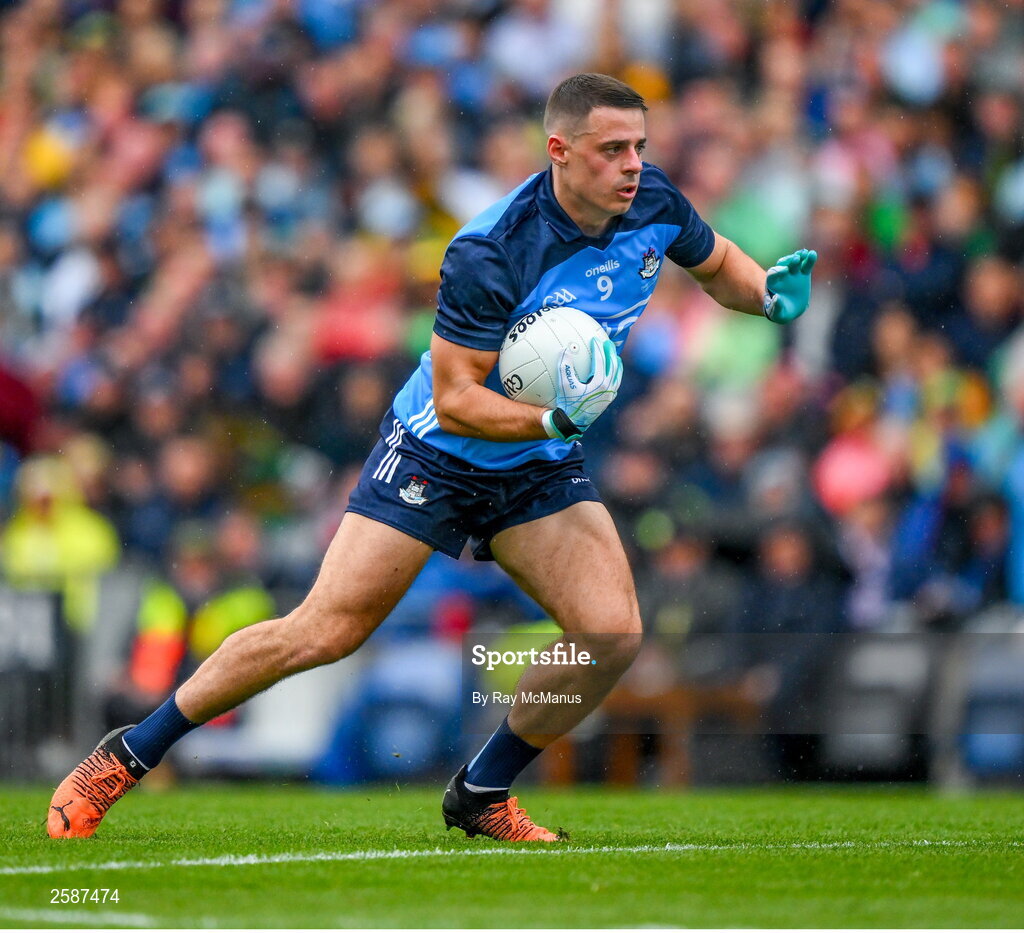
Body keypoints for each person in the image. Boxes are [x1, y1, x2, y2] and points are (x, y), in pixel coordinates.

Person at [47, 73, 816, 843]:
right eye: (613, 149)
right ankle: (126, 754)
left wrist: (766, 292)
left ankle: (481, 790)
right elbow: (455, 399)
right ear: (560, 151)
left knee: (610, 634)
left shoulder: (651, 202)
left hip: (536, 464)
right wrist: (552, 415)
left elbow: (717, 264)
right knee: (324, 630)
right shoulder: (491, 249)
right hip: (435, 456)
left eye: (639, 148)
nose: (633, 165)